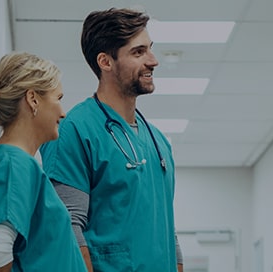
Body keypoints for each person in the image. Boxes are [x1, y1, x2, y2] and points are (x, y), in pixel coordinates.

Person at [40, 8, 183, 272]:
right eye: (138, 52)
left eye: (150, 49)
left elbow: (168, 231)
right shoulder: (75, 130)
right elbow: (68, 228)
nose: (153, 61)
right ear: (105, 62)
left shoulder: (159, 142)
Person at [0, 52, 85, 272]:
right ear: (33, 99)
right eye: (58, 98)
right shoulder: (12, 163)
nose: (63, 113)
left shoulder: (16, 163)